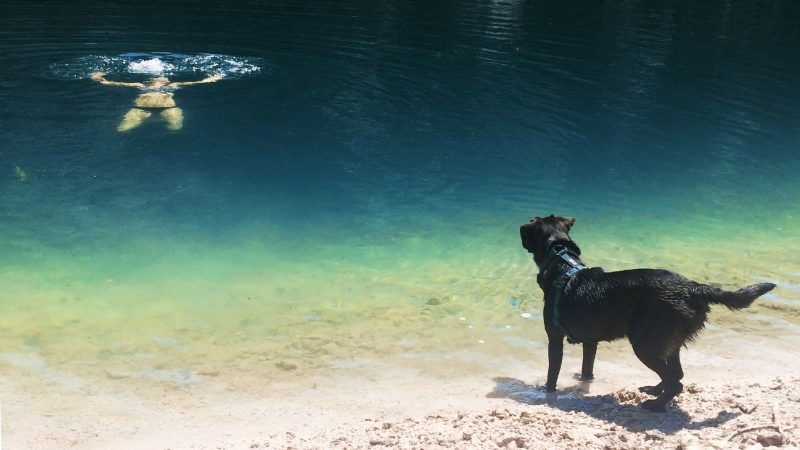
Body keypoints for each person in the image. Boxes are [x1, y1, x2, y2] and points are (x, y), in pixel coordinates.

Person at [90, 71, 223, 132]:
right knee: (122, 130)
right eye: (161, 77)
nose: (164, 78)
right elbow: (115, 84)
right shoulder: (140, 85)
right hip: (140, 109)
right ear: (153, 80)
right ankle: (151, 120)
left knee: (175, 129)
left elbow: (195, 83)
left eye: (165, 77)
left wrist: (211, 79)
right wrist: (99, 78)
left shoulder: (173, 85)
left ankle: (154, 121)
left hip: (169, 109)